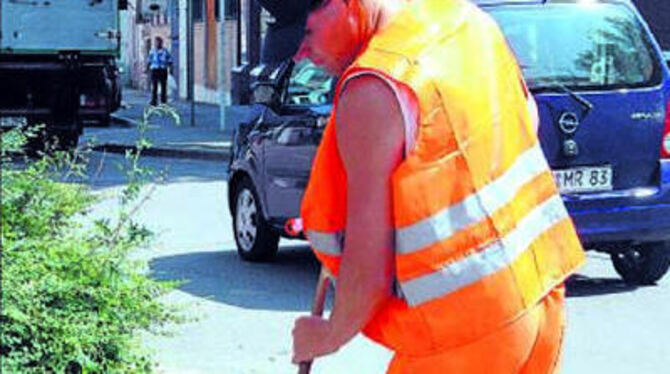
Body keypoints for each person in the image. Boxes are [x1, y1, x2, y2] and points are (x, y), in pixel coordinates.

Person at [291, 0, 586, 373]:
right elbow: (527, 119)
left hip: (462, 340)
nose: (302, 54)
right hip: (540, 304)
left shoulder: (374, 89)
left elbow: (368, 273)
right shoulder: (468, 21)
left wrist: (327, 334)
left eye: (306, 33)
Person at [146, 36, 173, 106]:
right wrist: (147, 68)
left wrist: (171, 68)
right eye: (155, 42)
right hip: (155, 69)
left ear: (161, 43)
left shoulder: (165, 51)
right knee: (154, 86)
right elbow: (149, 60)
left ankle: (163, 101)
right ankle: (154, 101)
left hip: (162, 69)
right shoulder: (152, 51)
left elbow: (170, 60)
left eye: (158, 42)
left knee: (163, 86)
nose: (156, 44)